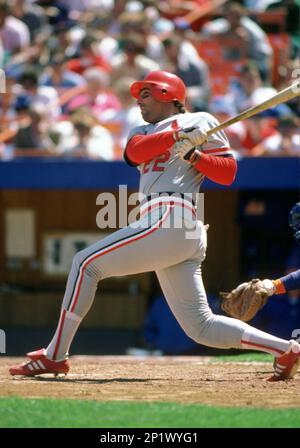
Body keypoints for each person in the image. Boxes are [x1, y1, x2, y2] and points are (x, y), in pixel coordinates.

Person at [9, 70, 300, 381]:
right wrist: (174, 137)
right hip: (166, 225)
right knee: (200, 326)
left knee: (84, 264)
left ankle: (55, 355)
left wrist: (195, 155)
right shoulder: (141, 129)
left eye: (145, 94)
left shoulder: (202, 120)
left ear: (167, 94)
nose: (139, 101)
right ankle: (286, 348)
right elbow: (134, 153)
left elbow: (227, 173)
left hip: (174, 215)